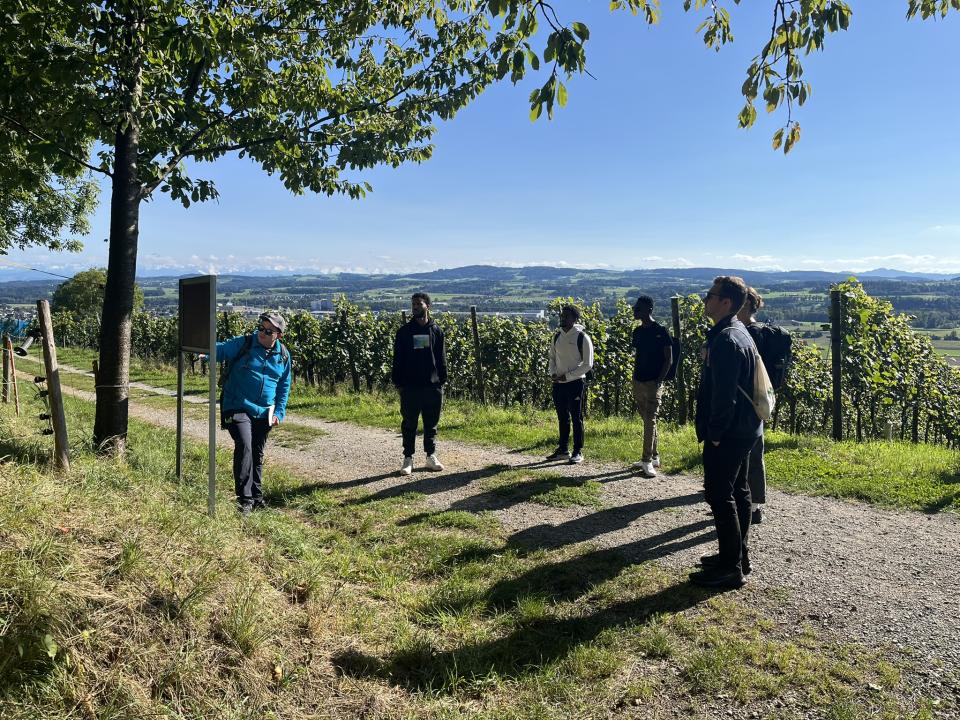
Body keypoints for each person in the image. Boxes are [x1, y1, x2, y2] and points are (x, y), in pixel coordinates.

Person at [692, 276, 761, 589]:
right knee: (739, 491)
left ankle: (731, 567)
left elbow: (723, 396)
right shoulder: (739, 331)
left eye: (711, 295)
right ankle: (736, 556)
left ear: (726, 302)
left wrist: (716, 433)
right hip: (747, 428)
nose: (705, 299)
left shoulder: (726, 340)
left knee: (719, 494)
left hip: (729, 431)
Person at [218, 312, 291, 516]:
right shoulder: (246, 344)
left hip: (265, 411)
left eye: (269, 331)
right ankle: (245, 500)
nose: (262, 333)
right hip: (237, 405)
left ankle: (257, 497)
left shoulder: (283, 355)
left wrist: (279, 411)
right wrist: (204, 351)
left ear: (279, 335)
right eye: (261, 328)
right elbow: (221, 350)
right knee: (245, 445)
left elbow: (284, 385)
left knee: (257, 452)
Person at [392, 292, 447, 476]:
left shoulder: (437, 331)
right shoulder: (404, 333)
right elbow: (397, 360)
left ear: (427, 306)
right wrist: (399, 383)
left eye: (418, 304)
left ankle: (431, 456)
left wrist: (442, 382)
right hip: (410, 387)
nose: (414, 307)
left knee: (431, 424)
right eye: (413, 304)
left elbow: (441, 359)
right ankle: (408, 458)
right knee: (409, 424)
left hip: (433, 386)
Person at [629, 294, 673, 478]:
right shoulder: (637, 332)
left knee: (650, 420)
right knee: (647, 419)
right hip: (638, 381)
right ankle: (654, 456)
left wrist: (659, 381)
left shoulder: (661, 331)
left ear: (649, 310)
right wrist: (634, 378)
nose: (634, 310)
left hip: (653, 383)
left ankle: (646, 460)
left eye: (638, 308)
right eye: (635, 308)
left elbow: (669, 359)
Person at [546, 305, 594, 464]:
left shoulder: (582, 337)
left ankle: (578, 451)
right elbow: (552, 358)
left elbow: (587, 364)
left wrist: (567, 377)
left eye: (566, 316)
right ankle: (563, 449)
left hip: (575, 383)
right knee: (562, 417)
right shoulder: (556, 337)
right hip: (558, 383)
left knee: (576, 417)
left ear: (574, 319)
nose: (562, 318)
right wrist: (553, 373)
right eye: (562, 316)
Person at [737, 287, 767, 525]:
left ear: (745, 306)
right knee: (752, 452)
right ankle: (749, 503)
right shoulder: (756, 332)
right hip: (757, 400)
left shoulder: (749, 334)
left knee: (753, 453)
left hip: (749, 401)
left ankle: (753, 507)